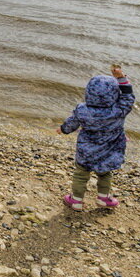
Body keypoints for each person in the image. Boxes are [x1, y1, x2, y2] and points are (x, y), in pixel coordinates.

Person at [57, 64, 135, 210]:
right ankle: (103, 199)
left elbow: (71, 123)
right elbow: (128, 96)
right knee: (105, 174)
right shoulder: (119, 110)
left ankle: (76, 201)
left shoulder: (82, 110)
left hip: (86, 150)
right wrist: (121, 78)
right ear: (115, 94)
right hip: (109, 150)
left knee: (81, 174)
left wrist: (62, 129)